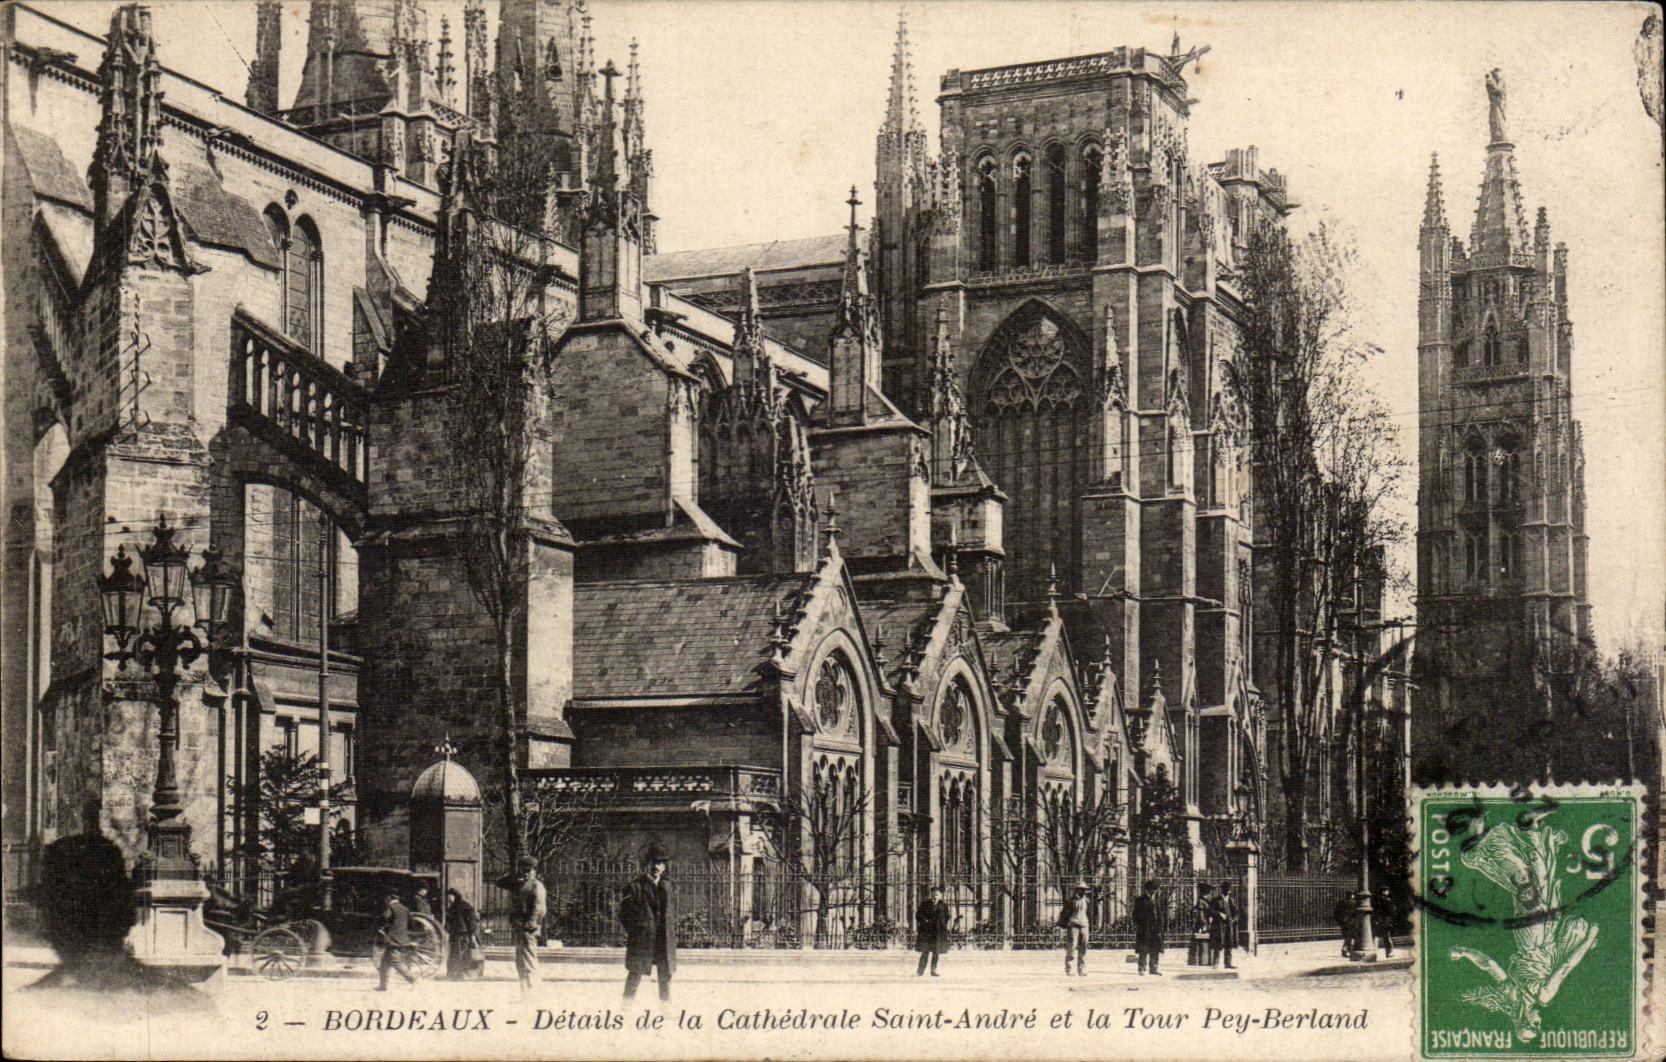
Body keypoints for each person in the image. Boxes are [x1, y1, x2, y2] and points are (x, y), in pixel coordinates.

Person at [618, 843, 678, 1002]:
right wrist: (638, 930)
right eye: (655, 863)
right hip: (643, 938)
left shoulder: (669, 886)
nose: (658, 867)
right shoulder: (635, 887)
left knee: (665, 977)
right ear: (647, 864)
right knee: (635, 975)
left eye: (662, 863)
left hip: (663, 939)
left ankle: (665, 1012)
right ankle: (625, 1010)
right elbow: (624, 914)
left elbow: (671, 913)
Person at [496, 855, 546, 995]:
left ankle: (533, 992)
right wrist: (514, 873)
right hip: (519, 927)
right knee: (521, 962)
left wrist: (530, 924)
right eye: (523, 870)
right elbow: (499, 882)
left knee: (529, 961)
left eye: (529, 870)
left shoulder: (536, 885)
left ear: (534, 870)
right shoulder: (518, 884)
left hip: (528, 928)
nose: (526, 873)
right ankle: (525, 992)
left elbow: (539, 908)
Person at [375, 891, 417, 991]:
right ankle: (383, 986)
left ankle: (413, 979)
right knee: (384, 963)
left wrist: (382, 927)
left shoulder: (391, 908)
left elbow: (384, 918)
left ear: (389, 899)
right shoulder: (405, 909)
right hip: (402, 939)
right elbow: (412, 924)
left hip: (393, 940)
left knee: (395, 962)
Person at [444, 887, 485, 981]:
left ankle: (461, 975)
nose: (449, 899)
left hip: (463, 935)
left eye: (450, 896)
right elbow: (448, 922)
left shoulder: (465, 906)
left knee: (462, 954)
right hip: (454, 935)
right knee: (454, 955)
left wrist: (473, 935)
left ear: (454, 896)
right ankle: (453, 975)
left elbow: (471, 923)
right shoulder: (453, 907)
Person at [914, 884, 951, 977]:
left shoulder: (943, 905)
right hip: (927, 932)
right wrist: (925, 921)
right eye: (933, 894)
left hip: (938, 932)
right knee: (925, 951)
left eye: (937, 894)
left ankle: (933, 970)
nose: (935, 896)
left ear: (940, 895)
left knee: (936, 952)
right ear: (931, 894)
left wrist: (942, 924)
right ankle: (920, 971)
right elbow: (918, 915)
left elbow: (947, 917)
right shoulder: (925, 904)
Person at [1132, 880, 1166, 976]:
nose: (1155, 891)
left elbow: (1161, 915)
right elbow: (1135, 915)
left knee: (1155, 948)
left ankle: (1154, 968)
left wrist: (1161, 927)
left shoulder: (1158, 900)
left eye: (1156, 889)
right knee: (1144, 949)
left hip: (1156, 929)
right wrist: (1141, 925)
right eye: (1153, 889)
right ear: (1148, 889)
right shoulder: (1141, 900)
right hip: (1145, 929)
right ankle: (1141, 967)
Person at [1057, 880, 1090, 977]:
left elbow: (1091, 913)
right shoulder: (1070, 901)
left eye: (1084, 890)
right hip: (1073, 924)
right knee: (1072, 946)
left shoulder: (1087, 901)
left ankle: (1082, 968)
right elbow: (1065, 913)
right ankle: (1069, 968)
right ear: (1076, 890)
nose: (1083, 892)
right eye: (1080, 890)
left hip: (1084, 925)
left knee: (1084, 947)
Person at [1210, 882, 1238, 970]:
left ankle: (1228, 963)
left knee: (1229, 944)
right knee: (1218, 944)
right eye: (1226, 890)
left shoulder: (1231, 900)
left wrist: (1234, 920)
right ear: (1222, 890)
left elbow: (1236, 913)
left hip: (1230, 925)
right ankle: (1216, 963)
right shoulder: (1216, 900)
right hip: (1219, 925)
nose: (1228, 892)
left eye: (1229, 890)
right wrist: (1219, 914)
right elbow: (1210, 911)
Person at [1376, 886, 1398, 958]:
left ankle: (1389, 952)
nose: (1388, 892)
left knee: (1386, 936)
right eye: (1386, 891)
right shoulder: (1386, 900)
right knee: (1387, 936)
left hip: (1383, 920)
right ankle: (1389, 952)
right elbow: (1392, 911)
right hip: (1386, 920)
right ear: (1384, 892)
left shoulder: (1380, 900)